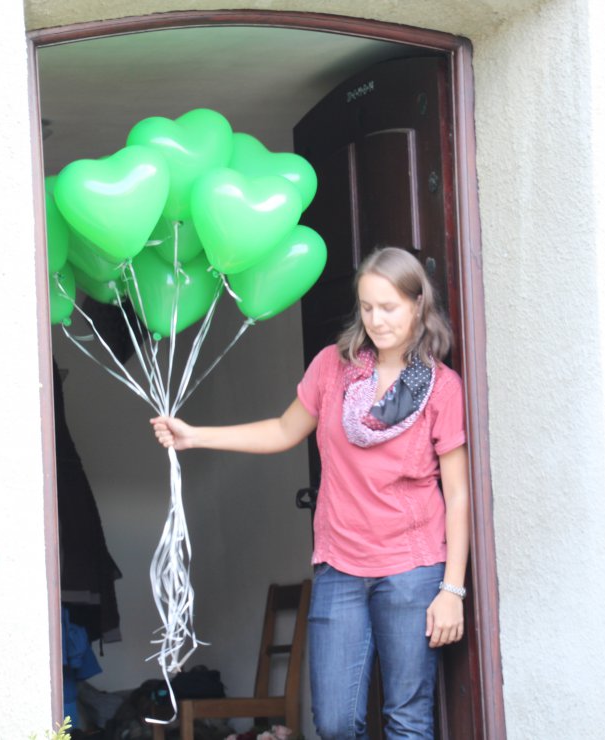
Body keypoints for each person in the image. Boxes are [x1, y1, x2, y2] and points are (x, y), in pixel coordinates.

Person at [151, 247, 469, 739]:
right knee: (335, 722)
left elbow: (459, 494)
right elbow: (283, 430)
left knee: (408, 718)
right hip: (340, 565)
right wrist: (194, 436)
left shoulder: (442, 388)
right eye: (367, 307)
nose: (377, 320)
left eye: (389, 307)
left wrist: (452, 589)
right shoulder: (332, 368)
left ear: (417, 305)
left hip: (412, 568)